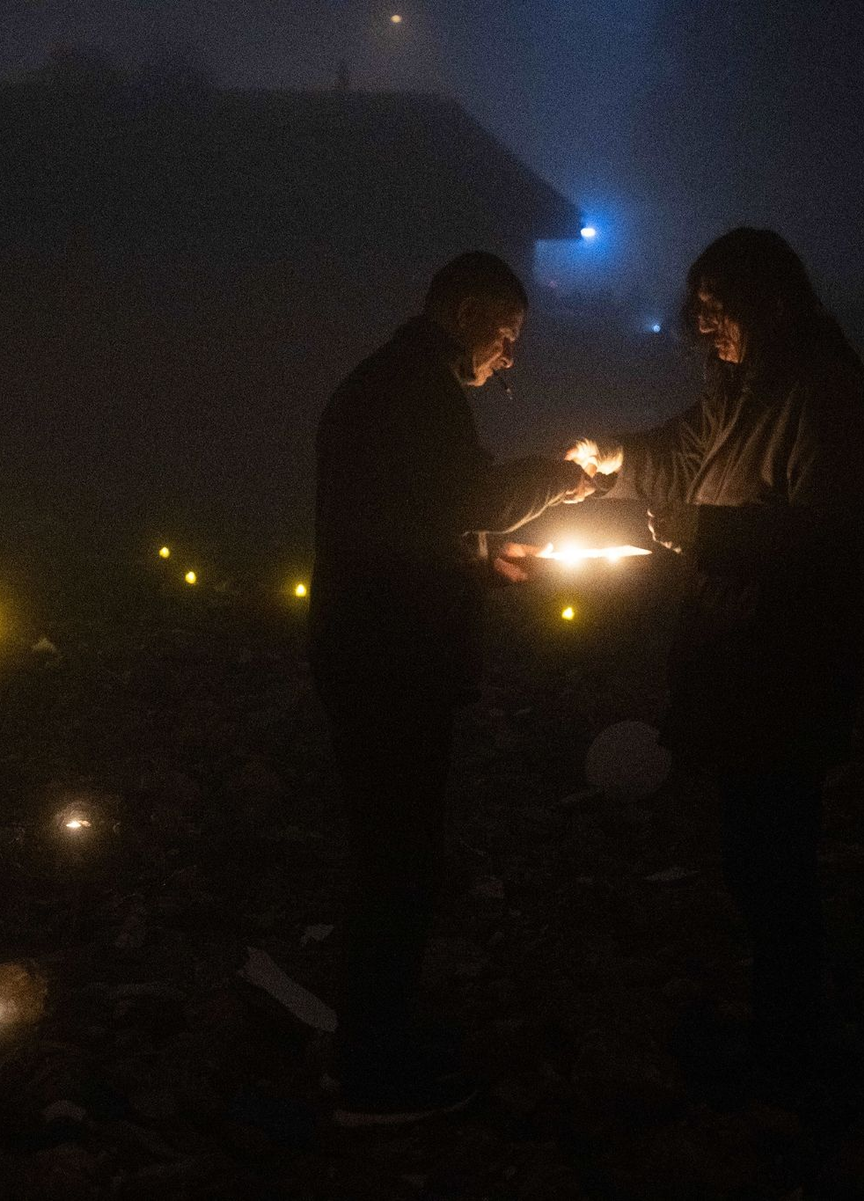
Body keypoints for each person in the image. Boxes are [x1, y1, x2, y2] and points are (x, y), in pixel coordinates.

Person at [567, 227, 864, 1095]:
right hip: (741, 663)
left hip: (787, 665)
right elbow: (681, 450)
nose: (703, 326)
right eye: (697, 310)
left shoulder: (824, 393)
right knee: (752, 853)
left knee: (776, 860)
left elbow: (829, 532)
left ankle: (792, 1054)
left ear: (767, 302)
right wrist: (617, 459)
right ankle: (782, 1032)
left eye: (716, 307)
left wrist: (707, 531)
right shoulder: (744, 389)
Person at [310, 251, 594, 1126]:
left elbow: (407, 518)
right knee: (397, 861)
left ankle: (377, 1032)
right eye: (506, 335)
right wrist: (563, 476)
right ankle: (374, 1073)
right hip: (390, 661)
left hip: (374, 650)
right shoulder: (414, 390)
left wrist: (479, 562)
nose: (508, 357)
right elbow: (468, 492)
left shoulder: (391, 383)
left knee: (394, 852)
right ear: (468, 311)